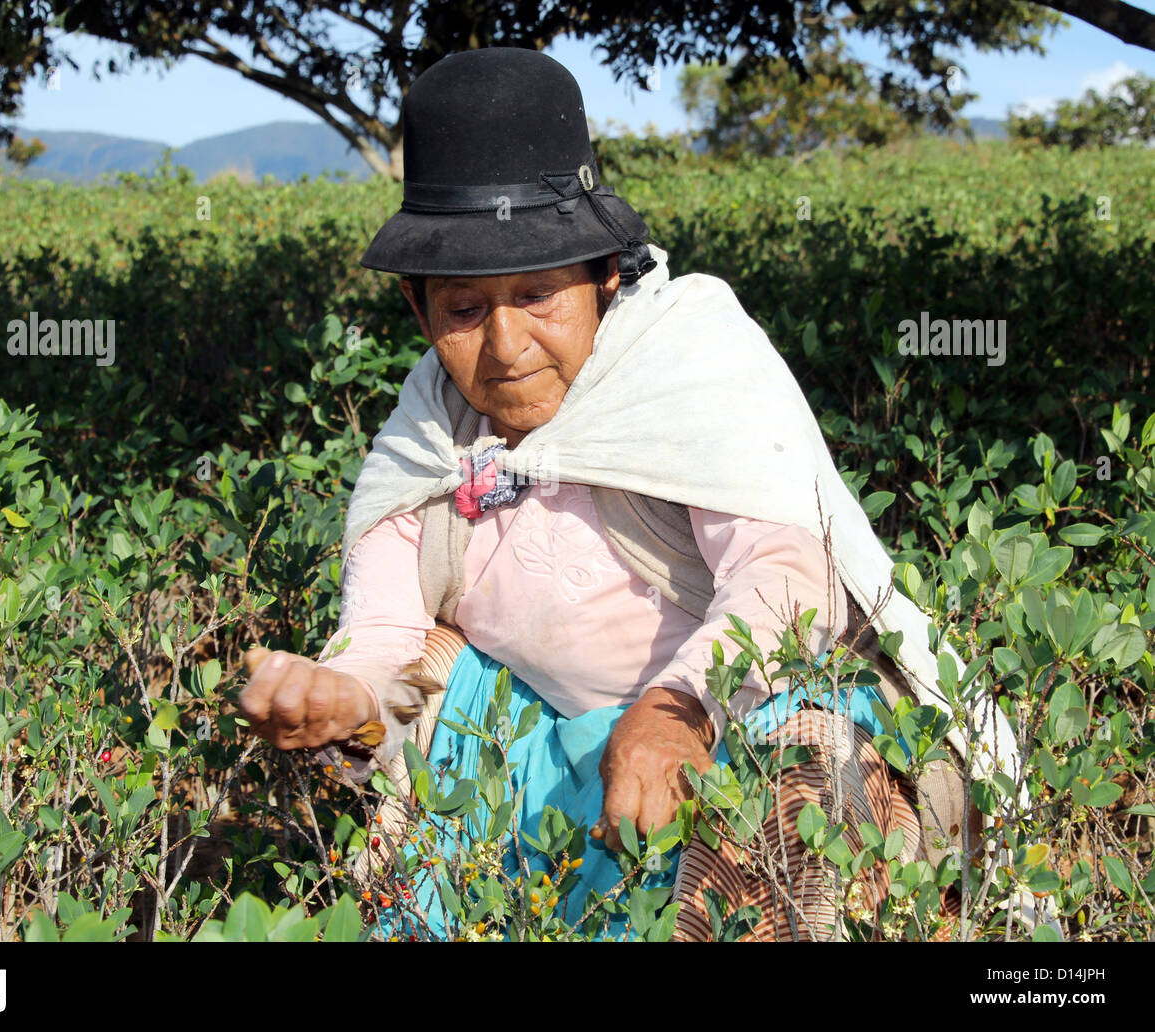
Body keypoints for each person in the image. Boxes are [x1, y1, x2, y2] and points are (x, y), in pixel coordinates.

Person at [239, 47, 1024, 941]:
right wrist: (342, 695)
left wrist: (676, 710)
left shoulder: (686, 361)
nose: (504, 346)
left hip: (742, 712)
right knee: (436, 662)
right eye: (463, 310)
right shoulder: (429, 438)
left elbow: (788, 576)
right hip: (557, 746)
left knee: (790, 768)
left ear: (607, 274)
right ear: (420, 313)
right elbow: (381, 639)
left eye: (539, 295)